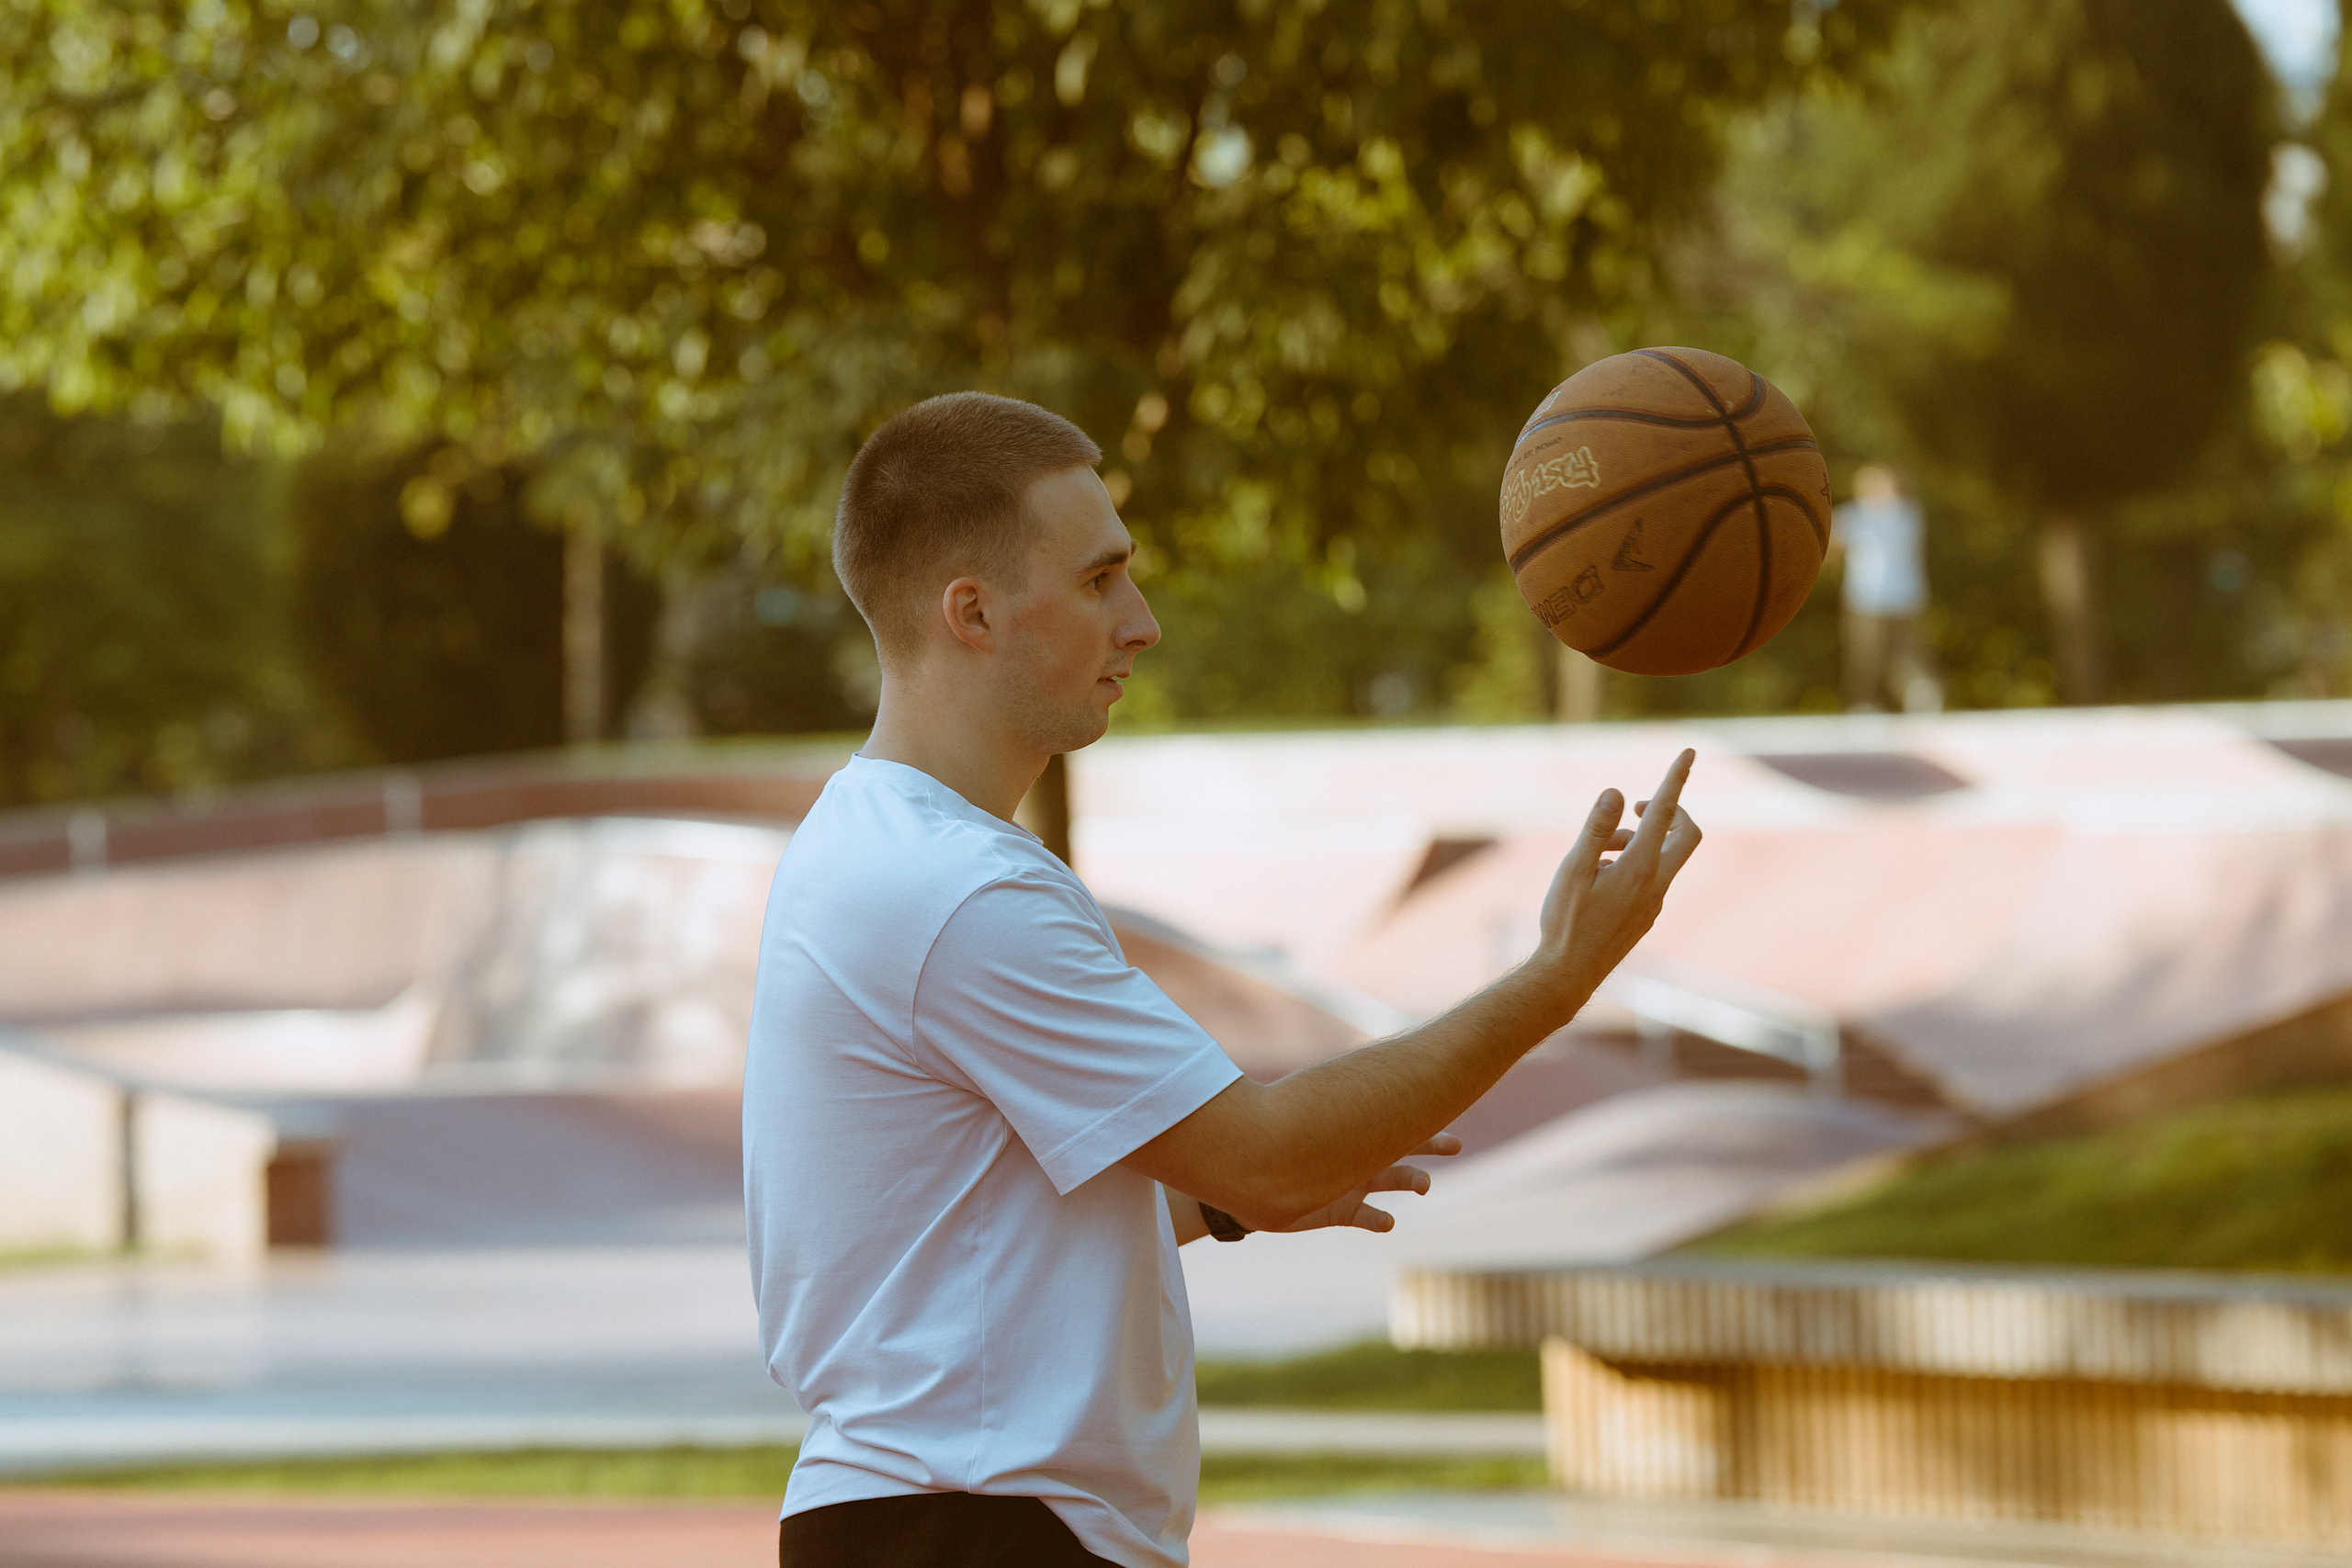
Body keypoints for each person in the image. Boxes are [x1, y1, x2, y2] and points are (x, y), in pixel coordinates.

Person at [742, 391, 1703, 1568]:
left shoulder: (877, 844)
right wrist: (1557, 978)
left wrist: (1222, 1198)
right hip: (972, 1525)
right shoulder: (955, 891)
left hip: (950, 1517)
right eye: (1099, 581)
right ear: (972, 612)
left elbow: (959, 1225)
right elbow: (1272, 1147)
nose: (1139, 624)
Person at [1829, 463, 1941, 713]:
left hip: (1902, 596)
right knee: (1865, 656)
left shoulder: (1905, 514)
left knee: (1905, 654)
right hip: (1866, 598)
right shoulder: (1856, 515)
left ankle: (1919, 696)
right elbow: (1831, 546)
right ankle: (1864, 705)